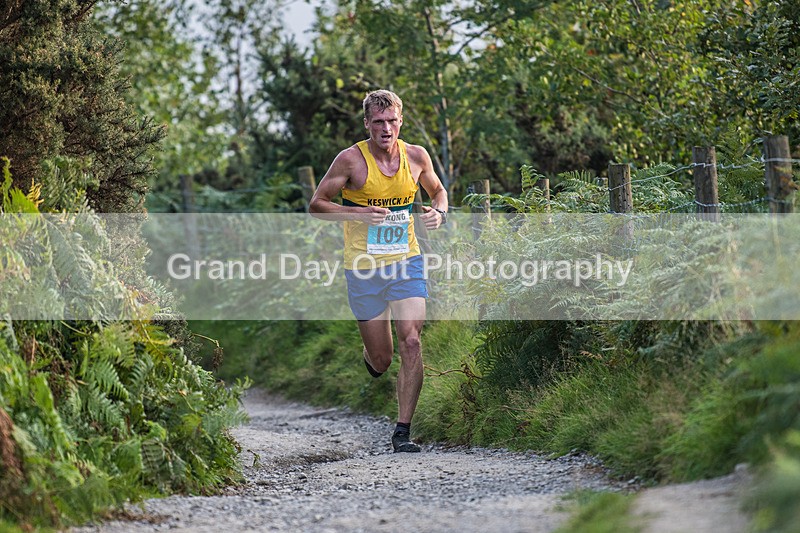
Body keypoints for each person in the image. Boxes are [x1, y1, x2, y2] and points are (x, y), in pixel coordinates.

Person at [309, 89, 448, 453]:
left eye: (392, 121)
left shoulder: (416, 156)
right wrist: (357, 213)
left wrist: (439, 212)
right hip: (364, 266)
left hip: (407, 261)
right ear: (367, 124)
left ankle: (402, 431)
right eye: (378, 122)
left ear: (401, 121)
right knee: (384, 359)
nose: (386, 129)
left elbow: (439, 192)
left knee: (412, 339)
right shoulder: (350, 161)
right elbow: (317, 204)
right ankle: (373, 359)